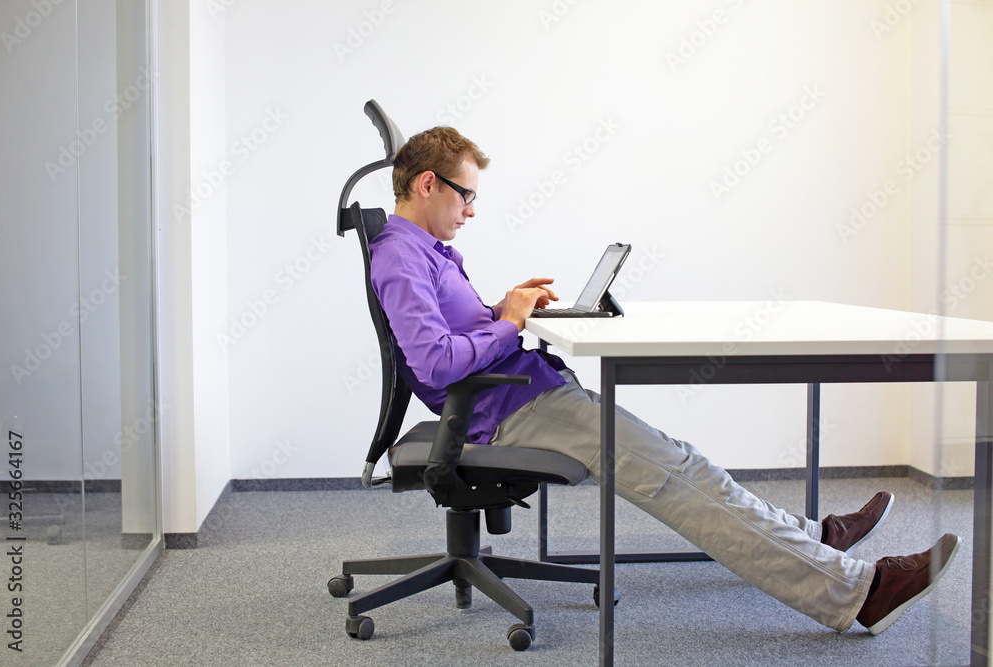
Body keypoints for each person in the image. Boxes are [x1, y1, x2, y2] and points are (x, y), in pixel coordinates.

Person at [368, 125, 961, 635]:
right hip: (506, 412)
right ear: (427, 184)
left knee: (684, 462)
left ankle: (814, 538)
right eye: (466, 195)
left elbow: (448, 334)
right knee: (676, 479)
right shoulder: (400, 255)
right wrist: (511, 325)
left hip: (524, 391)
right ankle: (860, 592)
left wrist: (502, 309)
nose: (471, 209)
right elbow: (436, 363)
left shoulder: (430, 250)